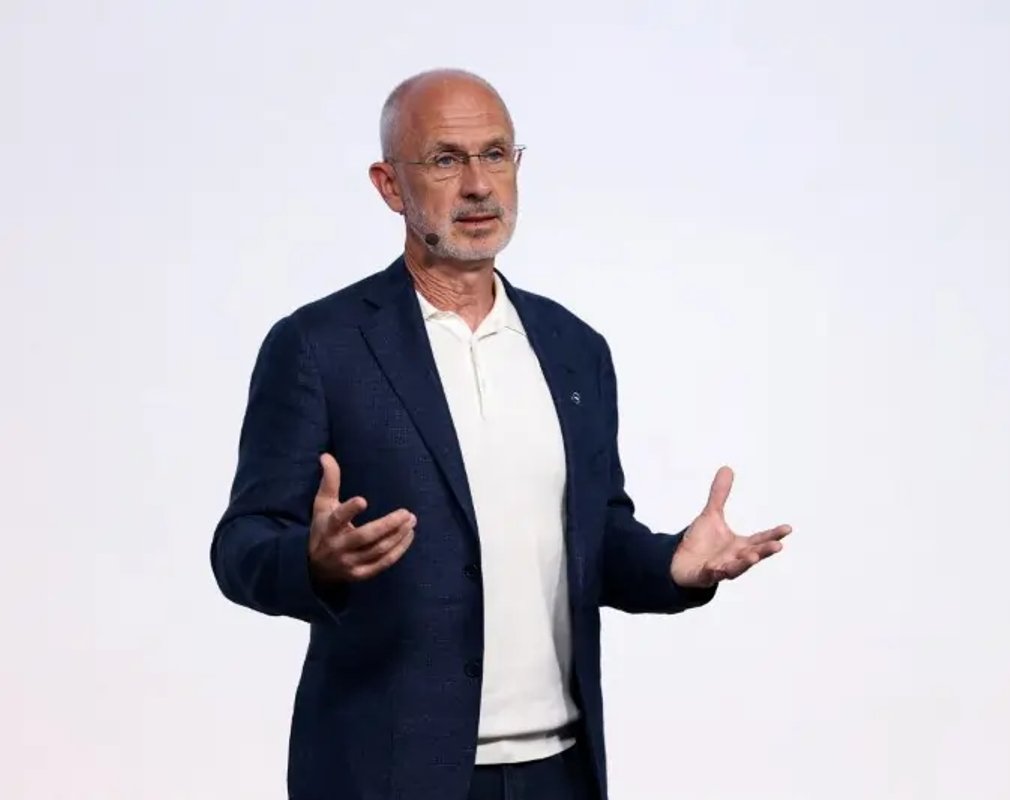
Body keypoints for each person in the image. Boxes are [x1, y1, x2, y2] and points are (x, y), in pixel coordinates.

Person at [210, 68, 791, 800]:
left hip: (560, 770)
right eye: (445, 160)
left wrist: (675, 564)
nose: (479, 185)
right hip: (386, 774)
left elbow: (597, 538)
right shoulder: (319, 346)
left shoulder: (574, 347)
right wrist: (312, 560)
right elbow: (241, 546)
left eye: (495, 154)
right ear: (391, 186)